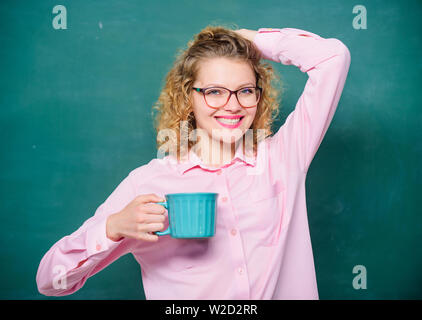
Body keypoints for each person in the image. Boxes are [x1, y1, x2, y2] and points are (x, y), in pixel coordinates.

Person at [36, 25, 351, 299]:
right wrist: (113, 227)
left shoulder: (283, 157)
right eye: (214, 91)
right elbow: (50, 280)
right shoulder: (147, 182)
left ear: (259, 94)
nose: (232, 105)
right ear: (189, 96)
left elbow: (332, 58)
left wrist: (248, 40)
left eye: (245, 91)